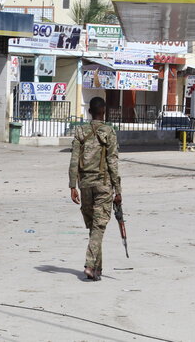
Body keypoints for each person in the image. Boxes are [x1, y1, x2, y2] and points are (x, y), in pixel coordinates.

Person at [68, 97, 121, 281]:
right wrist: (118, 190)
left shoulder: (80, 131)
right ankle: (90, 265)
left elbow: (74, 160)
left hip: (85, 185)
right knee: (98, 226)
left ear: (90, 111)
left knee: (94, 227)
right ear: (104, 111)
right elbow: (112, 162)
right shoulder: (108, 132)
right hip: (103, 185)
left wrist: (72, 186)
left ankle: (97, 269)